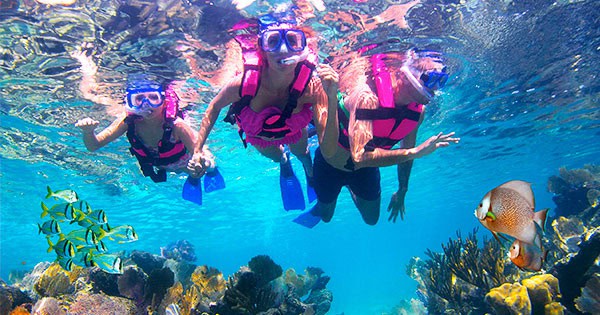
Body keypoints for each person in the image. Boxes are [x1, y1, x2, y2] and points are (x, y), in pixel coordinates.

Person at [188, 10, 340, 211]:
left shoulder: (311, 87)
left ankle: (308, 170)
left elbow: (329, 150)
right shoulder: (244, 84)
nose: (283, 49)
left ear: (301, 48)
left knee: (302, 153)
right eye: (273, 40)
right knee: (278, 157)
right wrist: (197, 150)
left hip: (294, 131)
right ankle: (284, 163)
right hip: (259, 136)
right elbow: (214, 107)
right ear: (262, 48)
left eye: (293, 41)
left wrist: (331, 98)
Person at [294, 46, 460, 227]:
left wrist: (402, 190)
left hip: (366, 168)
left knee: (371, 220)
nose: (434, 89)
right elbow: (360, 157)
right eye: (429, 79)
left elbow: (404, 152)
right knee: (326, 217)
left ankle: (348, 187)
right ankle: (308, 167)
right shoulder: (367, 97)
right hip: (330, 165)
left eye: (440, 82)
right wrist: (416, 152)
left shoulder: (417, 113)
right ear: (405, 74)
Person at [71, 45, 224, 205]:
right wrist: (88, 132)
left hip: (182, 161)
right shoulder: (127, 121)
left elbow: (199, 148)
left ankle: (210, 170)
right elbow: (93, 146)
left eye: (153, 98)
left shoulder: (176, 125)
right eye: (139, 99)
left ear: (163, 101)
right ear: (130, 102)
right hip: (158, 163)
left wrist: (203, 161)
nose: (146, 105)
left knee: (201, 166)